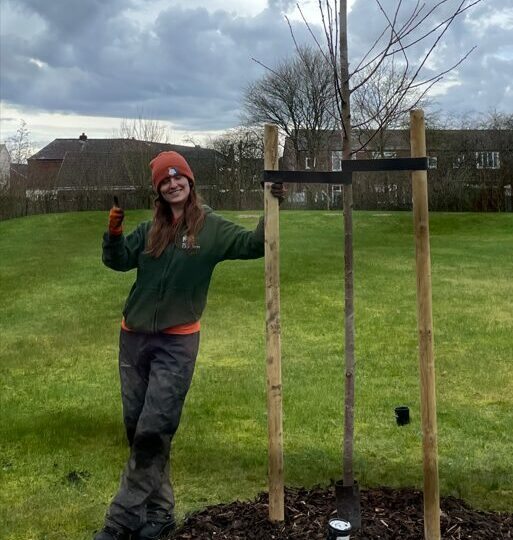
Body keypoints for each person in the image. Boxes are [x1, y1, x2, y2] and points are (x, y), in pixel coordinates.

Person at [94, 151, 285, 540]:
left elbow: (255, 244)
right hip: (133, 339)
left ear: (190, 182)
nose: (173, 184)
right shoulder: (150, 229)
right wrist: (113, 236)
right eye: (165, 181)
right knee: (139, 430)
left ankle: (119, 522)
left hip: (176, 345)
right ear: (159, 190)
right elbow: (116, 261)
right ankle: (160, 514)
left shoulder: (209, 228)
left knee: (153, 430)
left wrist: (272, 203)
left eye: (178, 177)